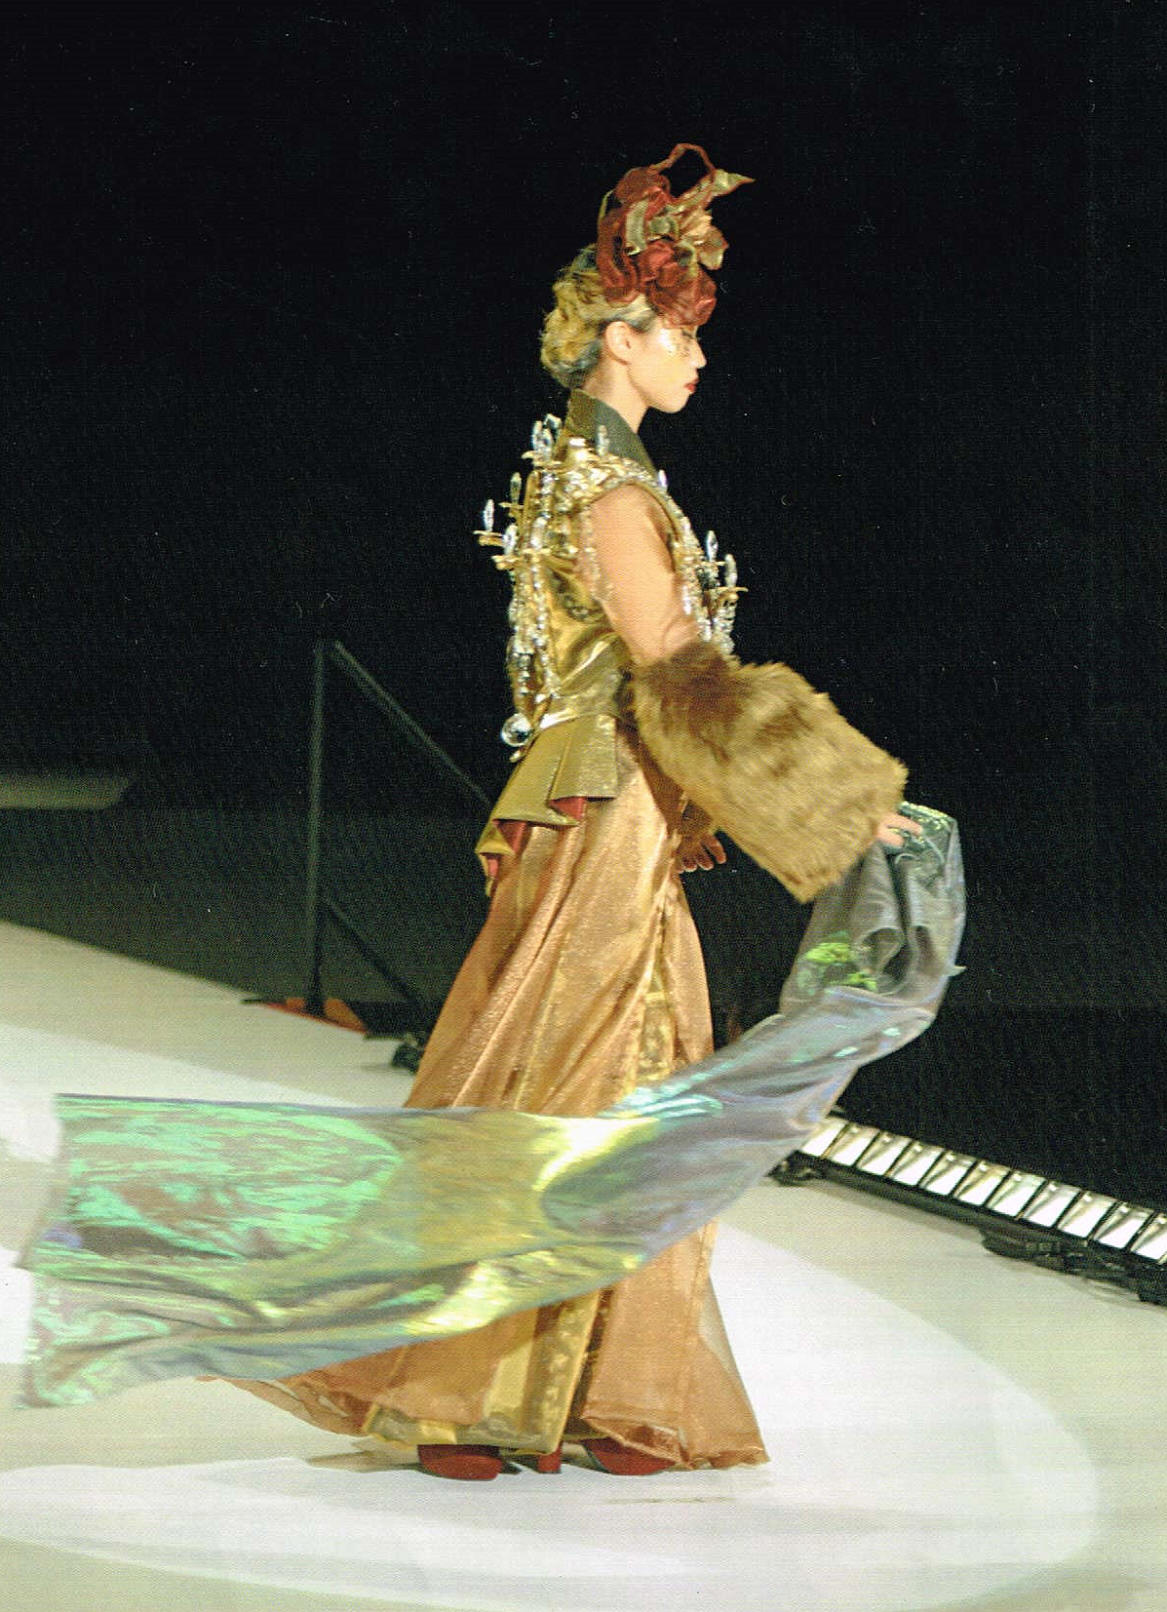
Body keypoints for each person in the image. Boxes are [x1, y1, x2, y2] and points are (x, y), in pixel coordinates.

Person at [232, 145, 916, 1479]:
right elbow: (674, 665)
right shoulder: (606, 487)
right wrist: (840, 802)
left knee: (625, 1078)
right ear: (624, 335)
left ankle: (584, 1385)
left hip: (623, 805)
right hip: (606, 808)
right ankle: (462, 1389)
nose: (700, 358)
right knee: (567, 1078)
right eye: (684, 335)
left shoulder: (597, 473)